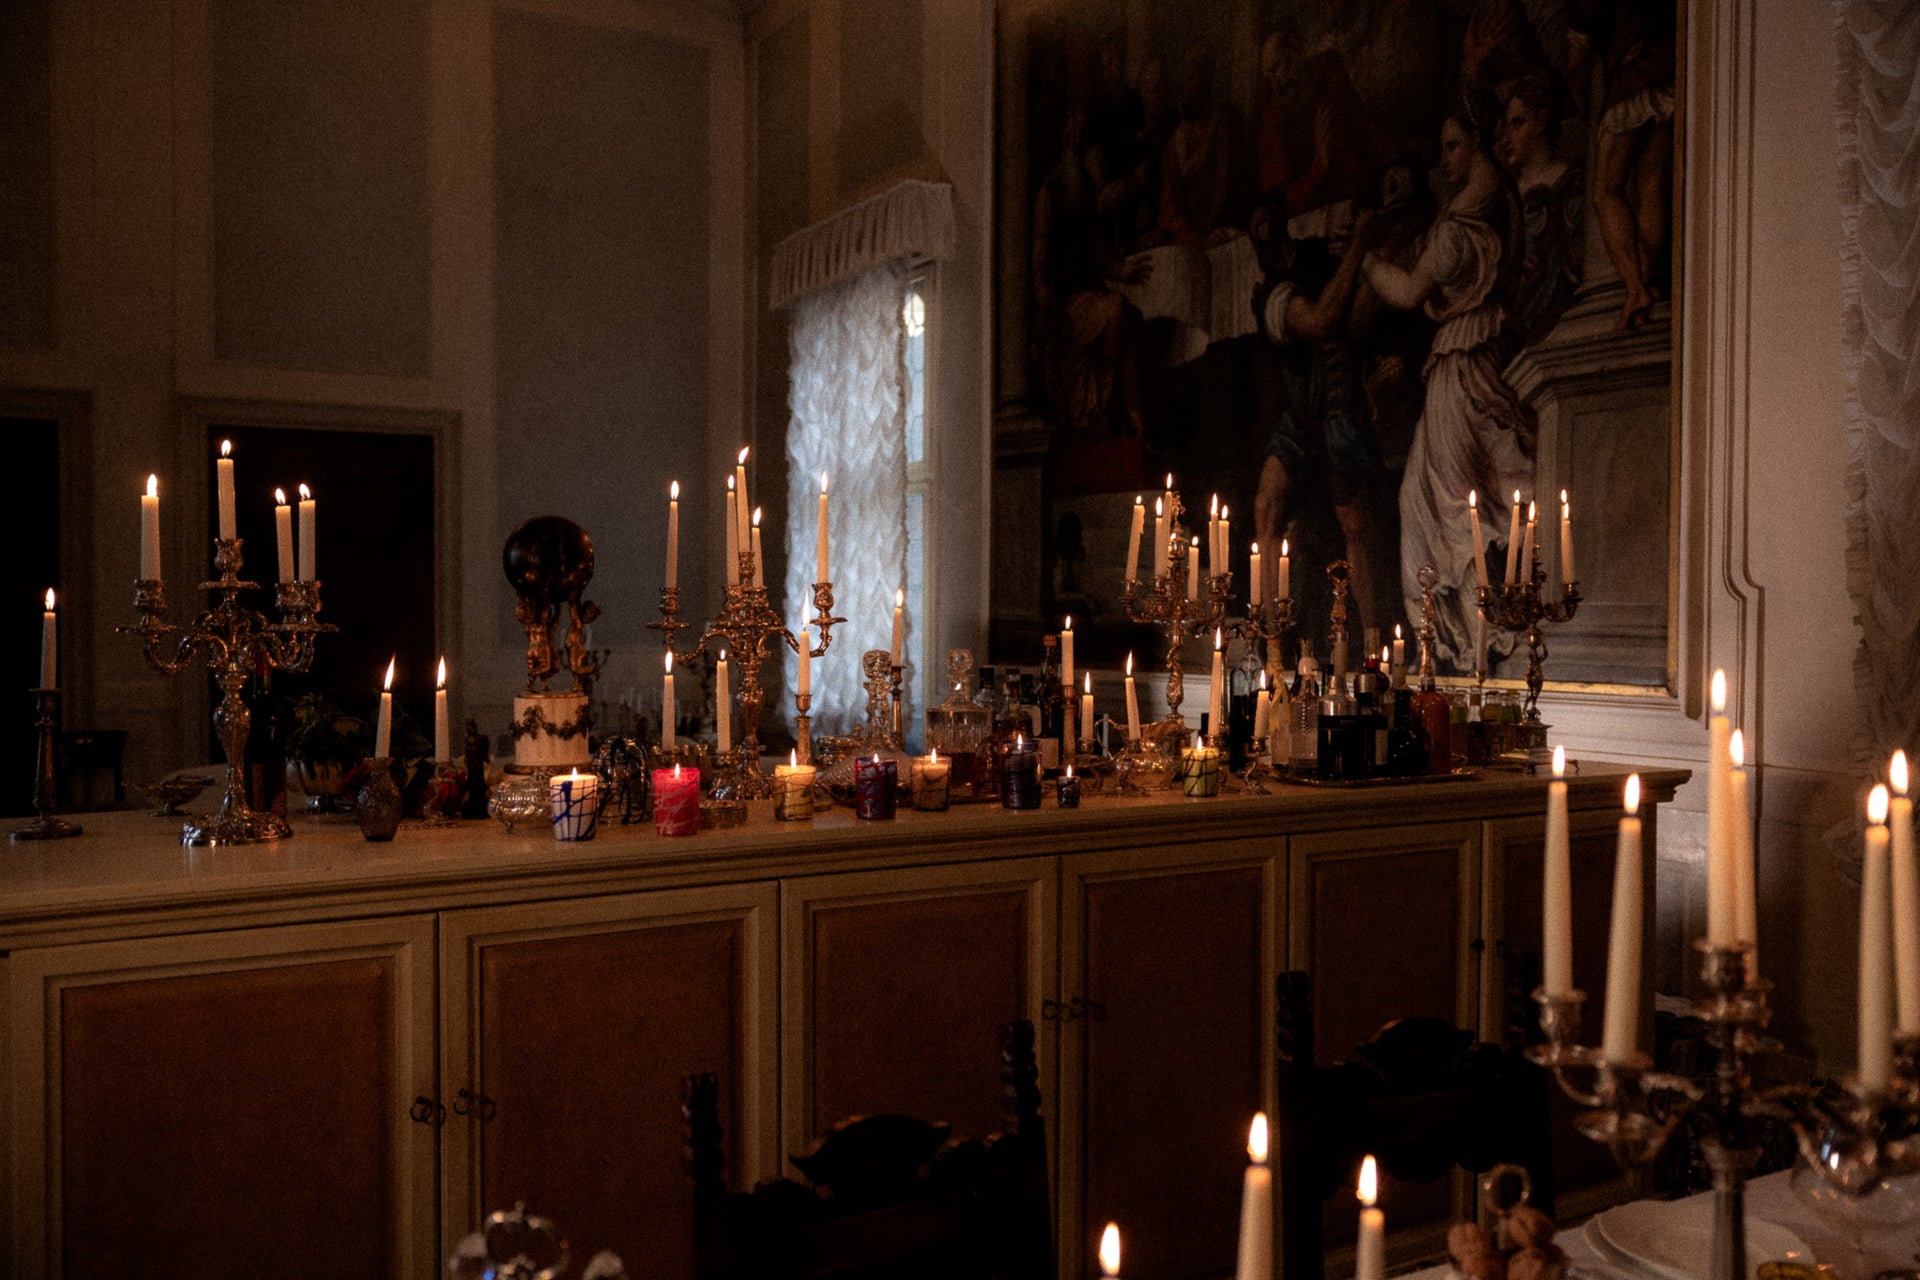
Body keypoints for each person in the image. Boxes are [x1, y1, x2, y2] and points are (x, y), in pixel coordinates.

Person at [1363, 95, 1535, 672]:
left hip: (1460, 366)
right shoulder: (1492, 208)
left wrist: (1366, 263)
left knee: (1436, 502)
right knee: (1446, 499)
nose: (1444, 159)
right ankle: (1467, 635)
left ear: (1479, 143)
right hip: (1473, 355)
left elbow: (1410, 292)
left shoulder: (1460, 227)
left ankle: (1469, 638)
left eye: (1453, 145)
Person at [1250, 190, 1393, 647]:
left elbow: (1354, 319)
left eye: (1265, 223)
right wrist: (1357, 248)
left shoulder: (1315, 260)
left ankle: (1372, 644)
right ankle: (1272, 637)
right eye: (1253, 228)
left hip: (1337, 414)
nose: (1260, 236)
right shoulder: (1271, 295)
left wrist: (1362, 250)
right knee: (1265, 505)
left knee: (1357, 523)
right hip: (1301, 417)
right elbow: (1321, 320)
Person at [1498, 73, 1584, 347]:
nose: (1505, 138)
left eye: (1517, 123)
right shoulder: (1505, 195)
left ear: (1541, 121)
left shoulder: (1575, 182)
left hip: (1560, 320)